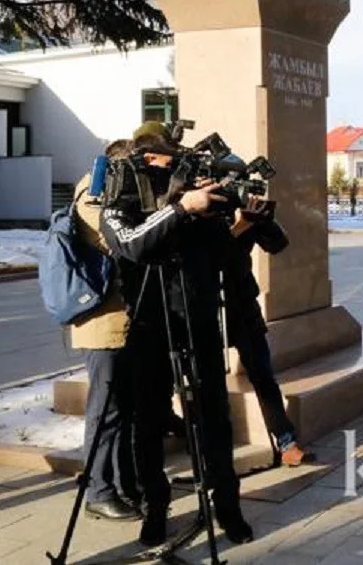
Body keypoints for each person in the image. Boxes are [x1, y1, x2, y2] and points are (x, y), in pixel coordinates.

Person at [101, 130, 253, 547]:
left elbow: (225, 258)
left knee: (215, 417)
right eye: (161, 162)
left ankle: (227, 505)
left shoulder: (193, 199)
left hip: (199, 317)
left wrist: (228, 220)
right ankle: (155, 507)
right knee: (148, 420)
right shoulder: (120, 194)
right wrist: (180, 208)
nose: (170, 169)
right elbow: (131, 245)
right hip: (151, 324)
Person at [70, 139, 141, 521]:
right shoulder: (94, 193)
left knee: (123, 409)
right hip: (101, 324)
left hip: (119, 321)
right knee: (106, 411)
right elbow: (120, 244)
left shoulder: (108, 193)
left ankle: (122, 484)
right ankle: (98, 490)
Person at [220, 196, 313, 465]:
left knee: (263, 375)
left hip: (242, 303)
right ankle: (210, 445)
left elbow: (277, 244)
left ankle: (286, 441)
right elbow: (207, 255)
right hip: (206, 305)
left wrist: (262, 220)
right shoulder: (195, 208)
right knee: (206, 381)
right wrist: (235, 228)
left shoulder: (239, 208)